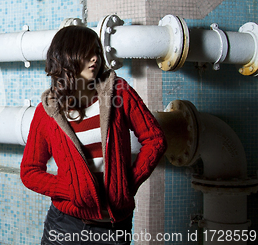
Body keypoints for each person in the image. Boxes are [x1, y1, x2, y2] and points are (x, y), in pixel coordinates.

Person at [20, 25, 167, 244]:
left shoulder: (119, 91)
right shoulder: (47, 111)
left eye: (97, 52)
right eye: (87, 53)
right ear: (67, 56)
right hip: (65, 225)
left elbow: (155, 139)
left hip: (115, 227)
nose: (95, 59)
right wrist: (70, 189)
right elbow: (30, 171)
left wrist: (128, 183)